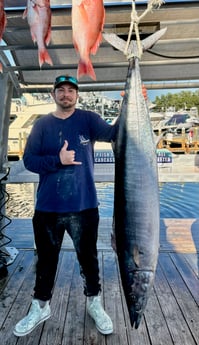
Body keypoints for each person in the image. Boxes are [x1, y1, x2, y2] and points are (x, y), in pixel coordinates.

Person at [13, 75, 118, 337]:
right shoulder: (42, 125)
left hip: (84, 208)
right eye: (61, 90)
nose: (66, 94)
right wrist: (57, 160)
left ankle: (94, 303)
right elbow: (29, 161)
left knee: (89, 259)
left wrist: (132, 102)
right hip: (48, 208)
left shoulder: (88, 119)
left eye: (71, 90)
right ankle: (40, 306)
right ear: (53, 95)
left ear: (77, 96)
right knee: (46, 262)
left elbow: (115, 133)